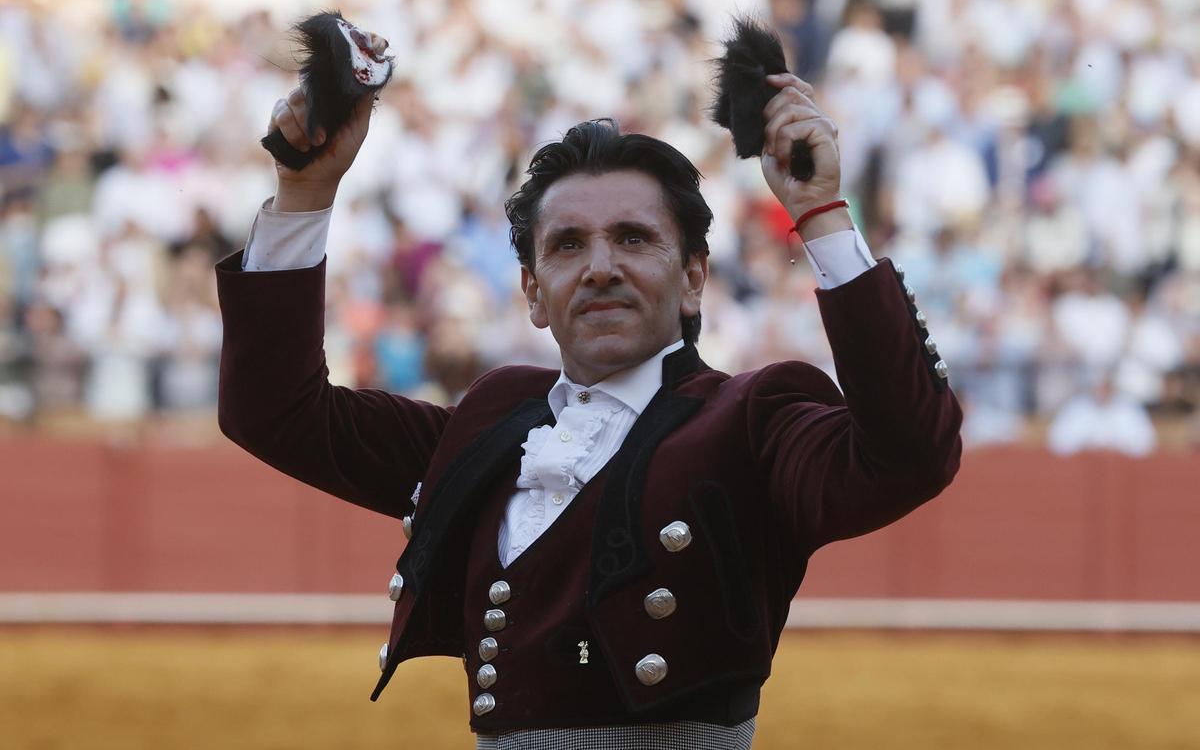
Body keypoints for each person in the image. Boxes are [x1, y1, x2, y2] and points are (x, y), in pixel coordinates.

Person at [215, 74, 963, 748]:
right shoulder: (492, 423)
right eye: (568, 245)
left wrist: (822, 214)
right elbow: (275, 411)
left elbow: (910, 452)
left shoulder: (753, 416)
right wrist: (303, 194)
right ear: (535, 293)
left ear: (695, 276)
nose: (601, 267)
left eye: (633, 238)